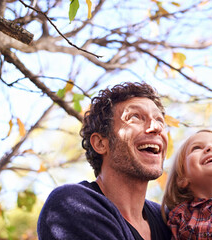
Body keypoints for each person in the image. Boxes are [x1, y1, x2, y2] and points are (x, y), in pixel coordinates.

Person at [37, 82, 172, 240]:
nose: (156, 127)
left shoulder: (168, 221)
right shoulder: (71, 204)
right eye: (135, 117)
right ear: (101, 143)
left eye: (160, 120)